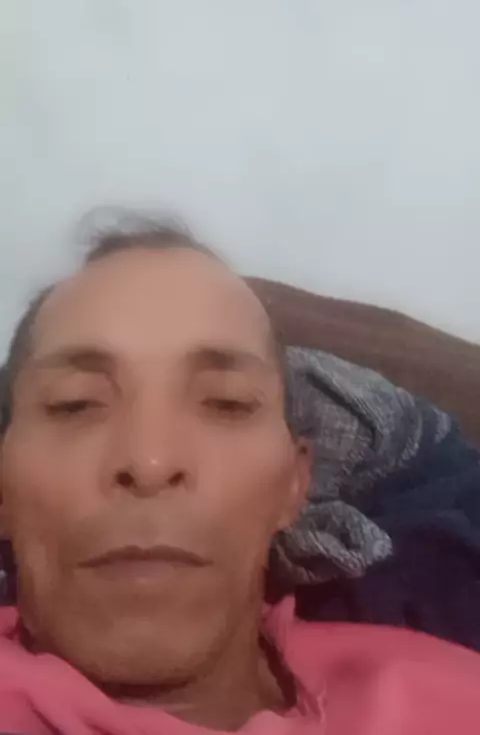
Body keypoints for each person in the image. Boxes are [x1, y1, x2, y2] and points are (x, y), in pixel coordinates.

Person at [0, 215, 479, 735]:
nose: (150, 462)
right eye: (74, 404)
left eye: (226, 403)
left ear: (293, 484)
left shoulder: (451, 691)